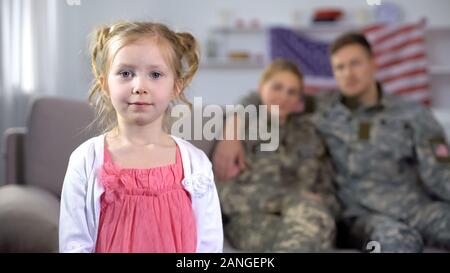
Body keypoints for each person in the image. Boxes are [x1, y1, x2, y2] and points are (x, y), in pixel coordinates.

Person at [213, 32, 450, 252]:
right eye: (340, 67)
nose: (348, 73)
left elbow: (440, 172)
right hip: (362, 215)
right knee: (398, 242)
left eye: (355, 63)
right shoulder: (325, 109)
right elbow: (266, 97)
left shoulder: (413, 114)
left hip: (416, 206)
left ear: (373, 63)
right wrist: (231, 130)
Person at [59, 21, 223, 253]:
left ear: (176, 86)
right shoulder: (85, 160)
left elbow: (209, 245)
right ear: (105, 84)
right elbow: (74, 244)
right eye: (126, 73)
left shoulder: (196, 164)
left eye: (155, 74)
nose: (139, 86)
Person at [217, 59, 340, 252]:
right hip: (252, 222)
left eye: (292, 92)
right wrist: (290, 198)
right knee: (309, 234)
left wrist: (319, 202)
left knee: (314, 225)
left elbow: (326, 190)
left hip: (307, 216)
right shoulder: (242, 130)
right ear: (261, 88)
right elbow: (224, 197)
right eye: (277, 87)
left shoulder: (309, 134)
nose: (284, 97)